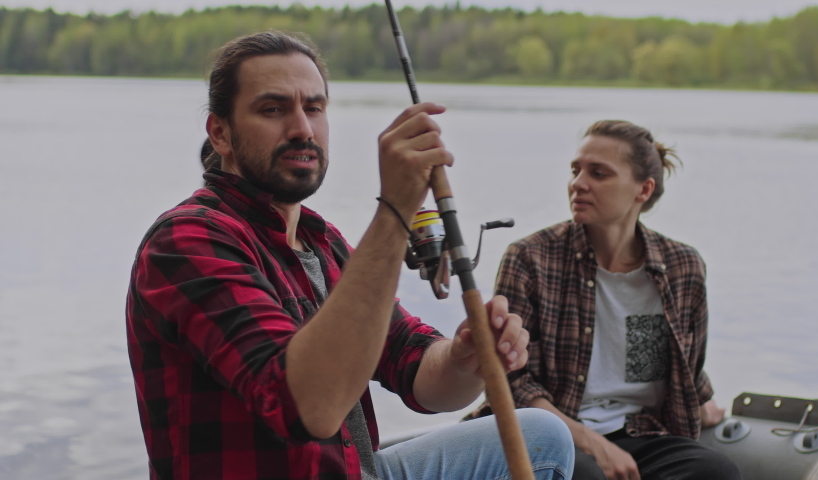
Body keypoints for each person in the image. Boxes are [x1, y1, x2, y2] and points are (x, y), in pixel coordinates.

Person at [126, 31, 574, 480]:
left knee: (544, 437)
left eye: (314, 108)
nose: (302, 129)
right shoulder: (187, 240)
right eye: (273, 109)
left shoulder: (321, 240)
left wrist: (464, 359)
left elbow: (415, 363)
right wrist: (395, 211)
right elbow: (306, 408)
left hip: (353, 471)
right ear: (220, 133)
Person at [468, 120, 741, 480]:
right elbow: (510, 382)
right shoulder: (531, 257)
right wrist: (591, 443)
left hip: (637, 435)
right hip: (543, 433)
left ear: (643, 190)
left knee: (717, 471)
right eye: (576, 170)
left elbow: (670, 368)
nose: (578, 183)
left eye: (598, 173)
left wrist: (700, 403)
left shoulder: (682, 267)